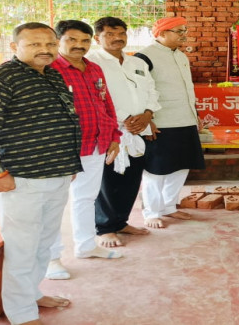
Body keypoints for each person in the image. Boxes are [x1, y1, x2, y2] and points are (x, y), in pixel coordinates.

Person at [0, 22, 82, 325]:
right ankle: (21, 313)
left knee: (43, 243)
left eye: (50, 44)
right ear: (14, 47)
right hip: (20, 178)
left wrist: (68, 165)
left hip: (56, 173)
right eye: (34, 44)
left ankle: (31, 294)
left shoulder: (52, 75)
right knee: (22, 248)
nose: (45, 50)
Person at [47, 20, 123, 280]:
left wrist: (114, 136)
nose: (79, 45)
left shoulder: (94, 68)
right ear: (58, 41)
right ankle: (51, 259)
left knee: (86, 198)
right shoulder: (49, 69)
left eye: (85, 40)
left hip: (96, 143)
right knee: (54, 204)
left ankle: (86, 246)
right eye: (72, 39)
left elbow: (106, 103)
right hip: (63, 148)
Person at [87, 16, 160, 248]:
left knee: (131, 178)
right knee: (108, 180)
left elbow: (151, 90)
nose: (117, 38)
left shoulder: (136, 62)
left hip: (138, 128)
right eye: (109, 34)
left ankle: (120, 222)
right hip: (111, 130)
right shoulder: (91, 62)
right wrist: (123, 119)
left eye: (121, 34)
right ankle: (104, 227)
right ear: (97, 38)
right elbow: (94, 97)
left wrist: (148, 114)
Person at [134, 16, 206, 229]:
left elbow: (187, 89)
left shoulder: (181, 56)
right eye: (179, 31)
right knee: (156, 170)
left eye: (184, 31)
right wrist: (148, 121)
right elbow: (140, 91)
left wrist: (195, 115)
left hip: (185, 119)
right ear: (162, 33)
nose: (184, 35)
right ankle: (151, 212)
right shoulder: (144, 57)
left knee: (181, 166)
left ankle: (168, 207)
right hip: (161, 122)